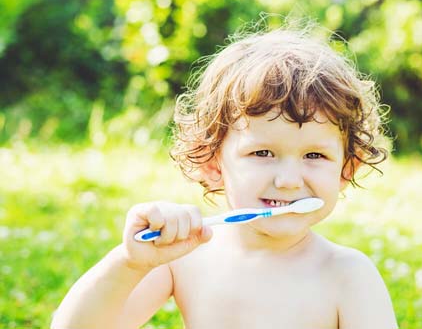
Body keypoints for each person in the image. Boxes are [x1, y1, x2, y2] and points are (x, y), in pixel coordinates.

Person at [51, 22, 398, 329]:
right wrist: (128, 264)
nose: (289, 180)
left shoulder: (348, 276)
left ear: (345, 170)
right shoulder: (186, 257)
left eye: (314, 155)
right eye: (262, 153)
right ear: (213, 164)